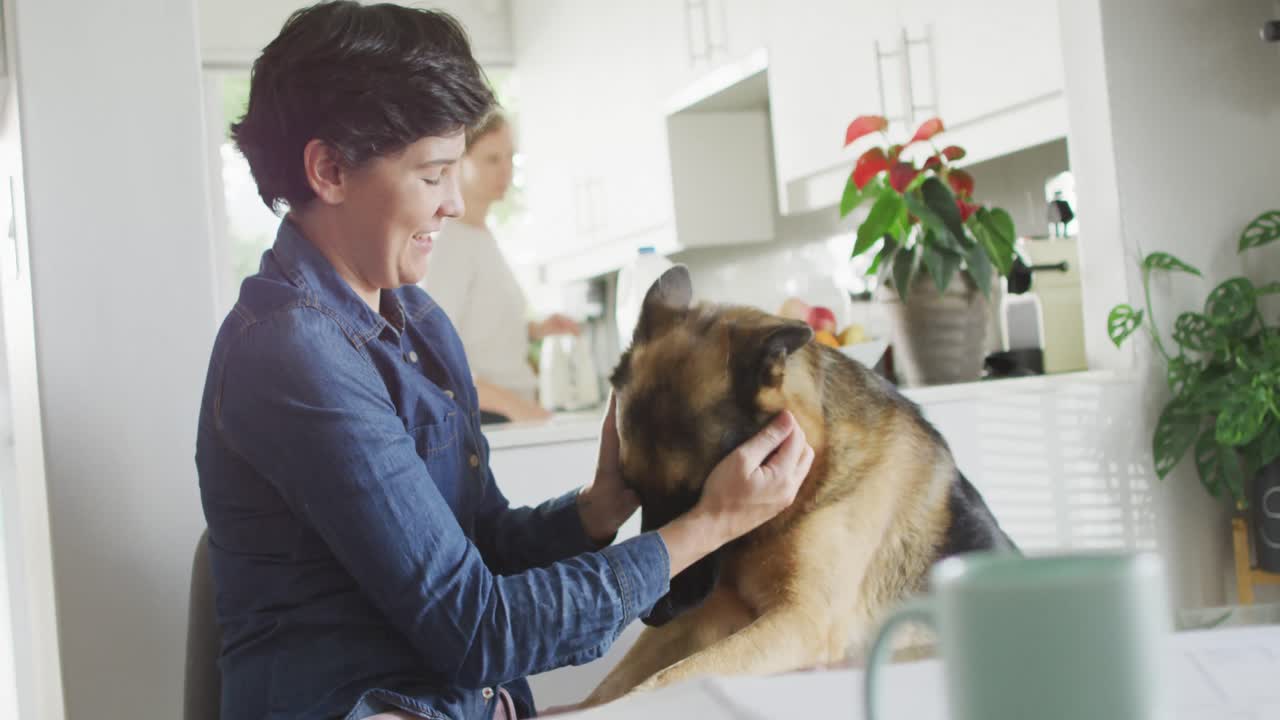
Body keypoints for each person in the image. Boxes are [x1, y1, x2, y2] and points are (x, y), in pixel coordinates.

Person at [194, 3, 814, 720]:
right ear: (329, 169)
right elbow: (477, 632)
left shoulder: (416, 323)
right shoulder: (290, 353)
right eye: (432, 176)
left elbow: (478, 546)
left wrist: (599, 506)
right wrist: (706, 527)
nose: (456, 202)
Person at [420, 112, 575, 423]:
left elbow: (480, 325)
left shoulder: (483, 236)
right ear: (457, 163)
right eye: (492, 160)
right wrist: (518, 409)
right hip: (489, 416)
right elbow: (436, 356)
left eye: (510, 158)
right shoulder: (450, 244)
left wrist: (536, 329)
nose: (505, 171)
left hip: (513, 411)